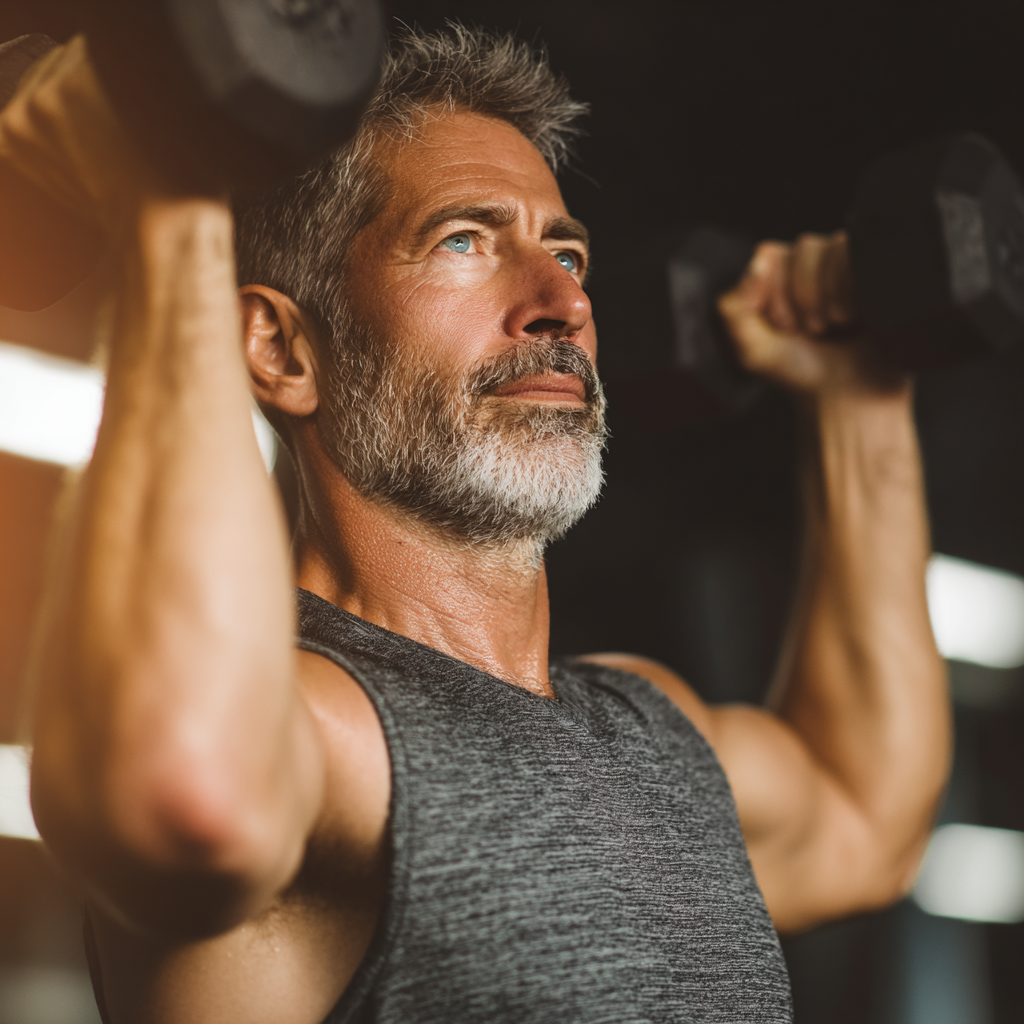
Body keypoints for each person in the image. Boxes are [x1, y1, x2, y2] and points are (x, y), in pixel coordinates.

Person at [9, 23, 949, 1024]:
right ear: (282, 350)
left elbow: (864, 813)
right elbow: (181, 790)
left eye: (567, 251)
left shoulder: (647, 728)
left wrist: (858, 396)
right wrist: (168, 198)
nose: (561, 303)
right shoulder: (314, 731)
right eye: (463, 238)